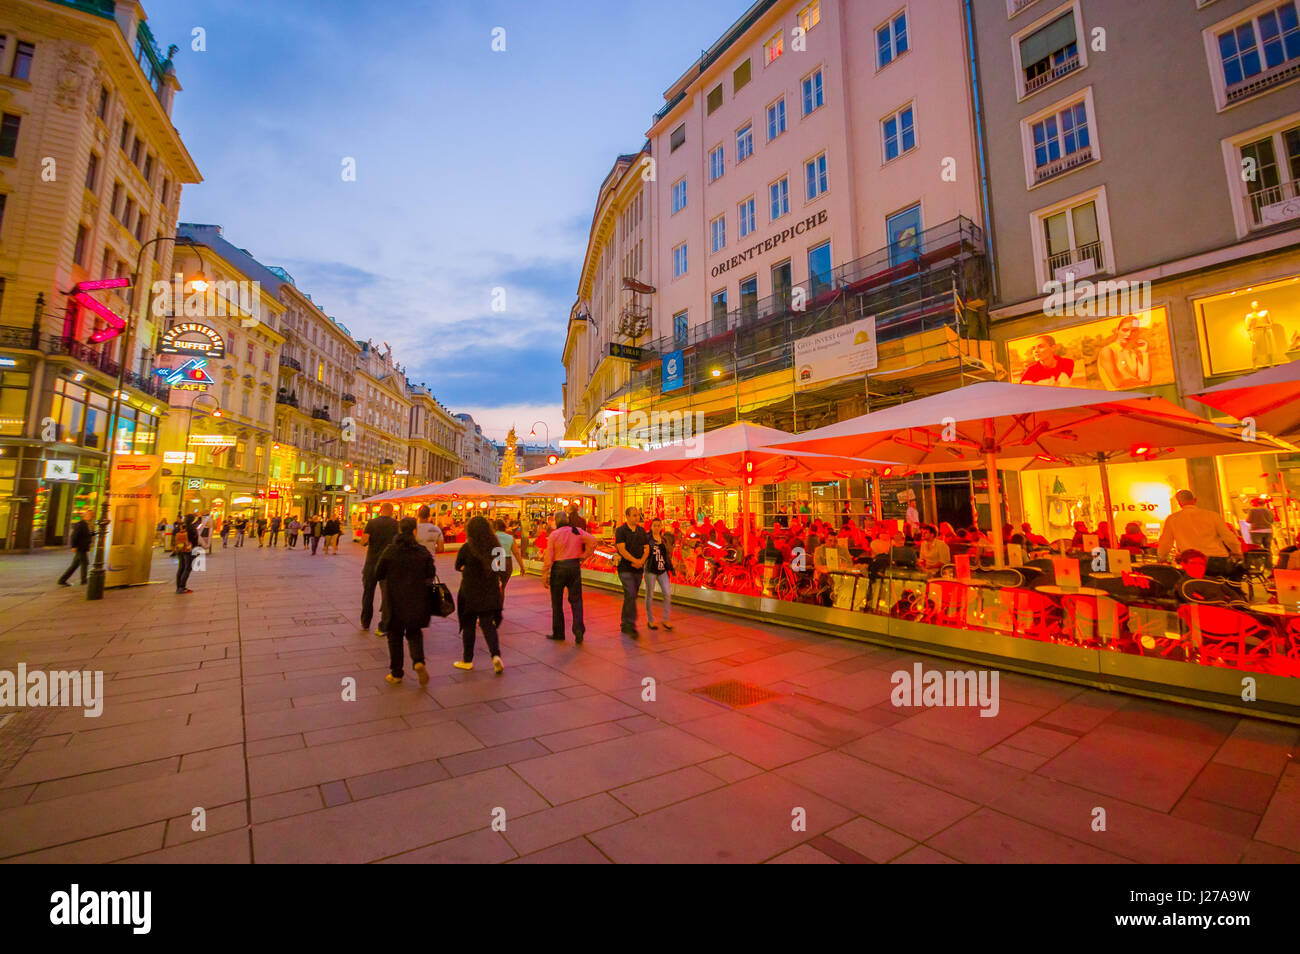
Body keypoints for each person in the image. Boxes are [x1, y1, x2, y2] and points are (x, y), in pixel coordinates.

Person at [374, 516, 436, 686]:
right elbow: (430, 574)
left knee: (394, 636)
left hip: (394, 600)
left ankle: (396, 673)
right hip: (417, 600)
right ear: (415, 531)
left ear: (400, 530)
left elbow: (378, 573)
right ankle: (418, 662)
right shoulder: (423, 552)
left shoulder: (390, 551)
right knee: (414, 633)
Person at [454, 515, 505, 673]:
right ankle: (496, 656)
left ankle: (467, 660)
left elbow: (457, 566)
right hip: (489, 591)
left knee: (469, 625)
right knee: (488, 625)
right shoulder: (496, 547)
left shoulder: (467, 547)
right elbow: (500, 569)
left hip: (470, 591)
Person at [544, 510, 597, 643]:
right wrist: (585, 555)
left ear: (556, 521)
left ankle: (559, 633)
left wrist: (545, 573)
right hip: (574, 566)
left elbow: (548, 556)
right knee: (576, 600)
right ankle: (578, 630)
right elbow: (593, 541)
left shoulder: (554, 535)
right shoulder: (577, 530)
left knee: (556, 603)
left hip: (558, 568)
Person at [1156, 490, 1243, 563]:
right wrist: (1237, 552)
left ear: (1179, 503)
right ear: (1195, 500)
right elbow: (1228, 537)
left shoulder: (1172, 519)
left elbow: (1166, 542)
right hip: (1217, 559)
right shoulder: (1212, 515)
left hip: (1191, 562)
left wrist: (1162, 557)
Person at [360, 503, 399, 635]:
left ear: (381, 511)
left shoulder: (371, 523)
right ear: (392, 511)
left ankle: (365, 622)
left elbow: (363, 541)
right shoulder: (396, 524)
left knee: (368, 593)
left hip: (371, 563)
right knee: (386, 596)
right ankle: (384, 626)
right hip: (388, 565)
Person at [614, 506, 650, 637]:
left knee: (631, 595)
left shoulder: (641, 531)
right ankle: (630, 624)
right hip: (625, 568)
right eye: (634, 515)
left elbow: (647, 548)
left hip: (638, 568)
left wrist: (641, 561)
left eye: (638, 515)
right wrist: (634, 560)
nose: (637, 517)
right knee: (631, 593)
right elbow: (621, 549)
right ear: (627, 516)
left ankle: (625, 623)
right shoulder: (621, 531)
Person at [1097, 315, 1153, 390]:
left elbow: (1146, 379)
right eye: (1125, 330)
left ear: (1137, 332)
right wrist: (1142, 382)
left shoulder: (1133, 353)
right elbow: (1118, 382)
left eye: (1133, 331)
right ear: (1117, 330)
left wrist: (1145, 352)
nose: (1129, 334)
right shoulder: (1107, 351)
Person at [642, 517, 676, 630]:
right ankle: (650, 620)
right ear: (651, 527)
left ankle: (666, 619)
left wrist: (671, 568)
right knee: (650, 595)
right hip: (650, 570)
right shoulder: (646, 538)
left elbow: (666, 556)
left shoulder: (664, 540)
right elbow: (643, 553)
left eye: (658, 525)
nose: (657, 528)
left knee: (667, 593)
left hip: (662, 570)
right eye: (655, 525)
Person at [492, 518, 525, 625]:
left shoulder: (492, 537)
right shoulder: (510, 537)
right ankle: (499, 608)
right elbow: (516, 552)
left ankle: (493, 608)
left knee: (494, 586)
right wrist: (522, 566)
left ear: (495, 527)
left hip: (496, 560)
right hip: (507, 561)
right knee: (502, 587)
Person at [58, 512, 93, 586]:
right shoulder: (80, 524)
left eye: (91, 515)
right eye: (89, 515)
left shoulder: (87, 525)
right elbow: (74, 535)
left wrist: (93, 533)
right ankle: (84, 581)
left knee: (75, 565)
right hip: (80, 547)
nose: (90, 516)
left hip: (83, 547)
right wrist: (73, 546)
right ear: (84, 516)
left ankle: (62, 580)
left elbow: (86, 535)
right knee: (85, 563)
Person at [174, 514, 198, 594]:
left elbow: (175, 535)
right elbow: (194, 540)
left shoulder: (180, 526)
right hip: (188, 550)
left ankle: (178, 587)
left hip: (180, 549)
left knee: (181, 567)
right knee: (187, 568)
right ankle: (182, 587)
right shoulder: (192, 528)